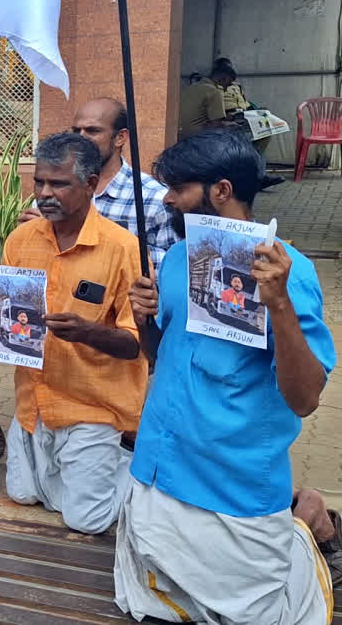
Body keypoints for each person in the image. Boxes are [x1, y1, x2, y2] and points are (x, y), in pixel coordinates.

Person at [114, 131, 337, 622]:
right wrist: (145, 319)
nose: (167, 198)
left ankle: (308, 524)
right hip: (158, 469)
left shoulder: (288, 273)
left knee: (257, 614)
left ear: (219, 191)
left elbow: (304, 399)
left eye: (177, 188)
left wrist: (277, 302)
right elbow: (158, 356)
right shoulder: (176, 261)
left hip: (231, 485)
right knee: (149, 606)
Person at [0, 133, 147, 534]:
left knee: (86, 520)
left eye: (59, 184)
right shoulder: (20, 240)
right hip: (35, 403)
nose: (45, 194)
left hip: (94, 406)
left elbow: (136, 344)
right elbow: (4, 323)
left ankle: (144, 468)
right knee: (22, 494)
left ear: (91, 184)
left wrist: (88, 333)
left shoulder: (123, 248)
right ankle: (81, 475)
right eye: (39, 182)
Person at [21, 98, 176, 268]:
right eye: (76, 131)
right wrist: (33, 233)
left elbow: (172, 271)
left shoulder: (154, 198)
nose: (81, 139)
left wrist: (120, 247)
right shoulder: (48, 189)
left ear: (120, 137)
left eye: (92, 131)